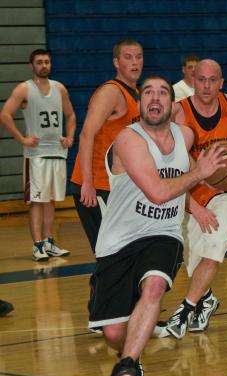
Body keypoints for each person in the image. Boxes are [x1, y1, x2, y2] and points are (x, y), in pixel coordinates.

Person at [88, 76, 226, 376]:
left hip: (162, 233)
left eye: (162, 92)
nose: (154, 98)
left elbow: (184, 178)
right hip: (118, 242)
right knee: (112, 333)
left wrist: (203, 199)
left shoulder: (186, 136)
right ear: (139, 105)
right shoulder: (128, 140)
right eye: (147, 92)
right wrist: (199, 173)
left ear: (172, 105)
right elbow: (159, 192)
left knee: (154, 286)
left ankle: (127, 366)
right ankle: (128, 353)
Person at [155, 59, 227, 340]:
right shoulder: (179, 114)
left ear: (221, 82)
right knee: (191, 257)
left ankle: (183, 313)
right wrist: (195, 208)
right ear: (191, 81)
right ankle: (206, 299)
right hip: (194, 191)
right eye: (201, 79)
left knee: (212, 249)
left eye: (212, 80)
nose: (207, 85)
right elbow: (173, 163)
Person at [0, 49, 76, 261]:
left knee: (51, 200)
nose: (44, 65)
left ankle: (49, 242)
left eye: (47, 62)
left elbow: (70, 115)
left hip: (57, 152)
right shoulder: (24, 89)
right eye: (40, 62)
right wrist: (22, 139)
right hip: (36, 155)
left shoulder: (59, 88)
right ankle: (37, 245)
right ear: (31, 65)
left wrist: (69, 137)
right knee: (36, 200)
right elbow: (5, 115)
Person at [70, 39, 143, 253]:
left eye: (138, 57)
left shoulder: (136, 94)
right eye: (128, 57)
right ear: (116, 62)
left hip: (117, 186)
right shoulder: (111, 92)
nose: (134, 62)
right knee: (109, 254)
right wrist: (88, 183)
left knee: (124, 253)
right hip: (97, 187)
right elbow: (86, 135)